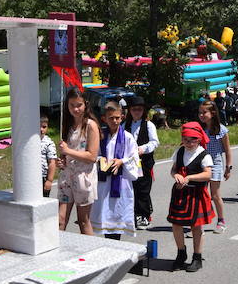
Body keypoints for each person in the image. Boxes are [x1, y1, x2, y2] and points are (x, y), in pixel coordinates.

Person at [167, 122, 214, 273]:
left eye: (192, 139)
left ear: (199, 139)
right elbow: (173, 170)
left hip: (196, 194)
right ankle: (181, 254)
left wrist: (189, 178)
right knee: (176, 224)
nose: (188, 142)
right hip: (180, 193)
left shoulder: (204, 154)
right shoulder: (180, 151)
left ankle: (197, 258)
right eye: (186, 139)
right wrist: (177, 175)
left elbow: (208, 174)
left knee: (196, 226)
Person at [91, 102, 141, 240]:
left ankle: (116, 243)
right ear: (104, 119)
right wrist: (102, 160)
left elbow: (135, 159)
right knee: (105, 215)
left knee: (117, 215)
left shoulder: (127, 137)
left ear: (122, 117)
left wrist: (121, 161)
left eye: (117, 118)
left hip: (121, 182)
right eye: (111, 118)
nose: (114, 121)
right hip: (104, 182)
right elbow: (94, 154)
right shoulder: (101, 136)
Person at [57, 88, 101, 235]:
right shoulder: (67, 125)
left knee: (83, 221)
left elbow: (92, 156)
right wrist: (62, 161)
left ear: (85, 105)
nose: (75, 109)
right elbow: (65, 154)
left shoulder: (90, 125)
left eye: (79, 105)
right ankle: (56, 253)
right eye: (72, 105)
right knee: (60, 220)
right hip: (67, 177)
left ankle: (91, 255)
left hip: (83, 178)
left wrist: (68, 151)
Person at [124, 95, 159, 229]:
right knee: (130, 188)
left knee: (143, 189)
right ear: (130, 111)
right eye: (134, 109)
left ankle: (144, 215)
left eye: (139, 109)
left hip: (144, 162)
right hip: (129, 162)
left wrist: (143, 149)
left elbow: (155, 142)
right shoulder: (125, 124)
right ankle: (133, 213)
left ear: (143, 110)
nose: (137, 112)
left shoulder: (149, 125)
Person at [198, 100, 233, 232]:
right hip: (202, 165)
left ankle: (221, 221)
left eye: (204, 112)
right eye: (199, 112)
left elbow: (228, 150)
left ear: (212, 113)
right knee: (201, 195)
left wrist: (228, 167)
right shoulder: (200, 129)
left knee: (215, 195)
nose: (201, 115)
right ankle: (198, 223)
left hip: (216, 164)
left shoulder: (221, 129)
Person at [40, 115, 57, 198]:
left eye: (44, 127)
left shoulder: (49, 143)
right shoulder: (29, 142)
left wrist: (49, 180)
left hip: (43, 177)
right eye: (38, 126)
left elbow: (52, 163)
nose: (41, 129)